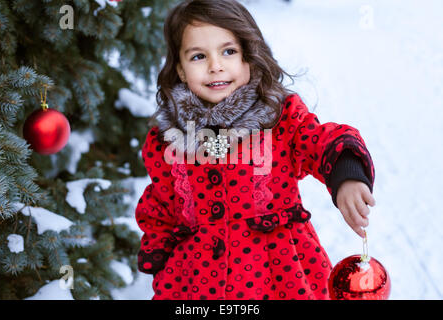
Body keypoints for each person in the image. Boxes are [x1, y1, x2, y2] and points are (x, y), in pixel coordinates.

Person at [135, 0, 376, 300]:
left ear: (248, 57)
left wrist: (347, 175)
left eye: (228, 51)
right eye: (198, 56)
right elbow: (160, 208)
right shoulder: (168, 142)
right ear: (181, 71)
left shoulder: (279, 118)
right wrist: (163, 267)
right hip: (197, 283)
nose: (215, 65)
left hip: (279, 275)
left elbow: (318, 139)